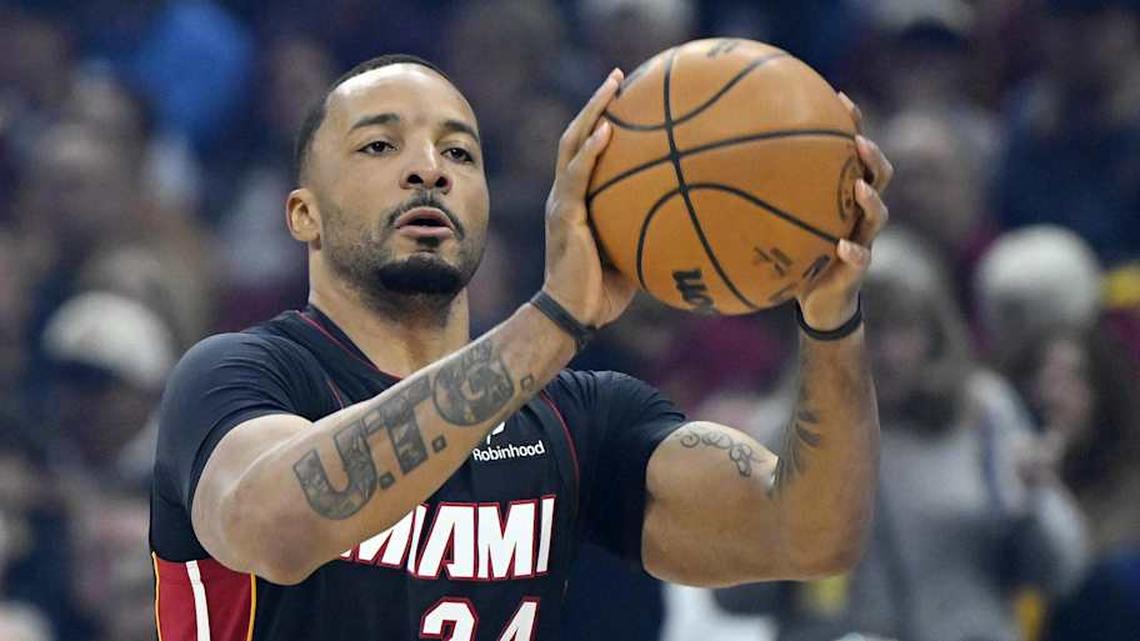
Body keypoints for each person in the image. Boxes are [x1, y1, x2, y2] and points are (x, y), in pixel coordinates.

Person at [148, 53, 892, 640]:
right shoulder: (238, 375)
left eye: (460, 154)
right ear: (303, 215)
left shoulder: (578, 416)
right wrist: (556, 318)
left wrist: (830, 320)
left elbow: (809, 534)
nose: (428, 168)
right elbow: (280, 527)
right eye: (379, 144)